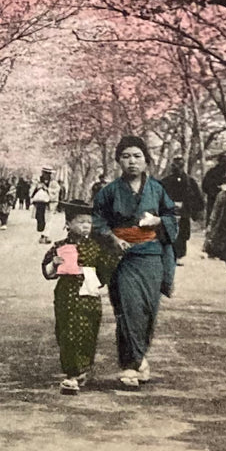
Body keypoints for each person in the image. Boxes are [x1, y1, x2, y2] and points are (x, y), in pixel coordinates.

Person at [92, 136, 178, 391]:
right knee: (129, 308)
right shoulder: (108, 191)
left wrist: (159, 221)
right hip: (122, 256)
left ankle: (139, 357)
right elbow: (97, 220)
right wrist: (112, 237)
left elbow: (172, 216)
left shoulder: (158, 189)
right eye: (126, 156)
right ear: (118, 160)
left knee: (149, 308)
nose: (132, 161)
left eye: (137, 156)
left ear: (145, 160)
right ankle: (129, 365)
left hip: (151, 254)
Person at [41, 201, 119, 395]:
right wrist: (54, 264)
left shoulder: (97, 247)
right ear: (68, 224)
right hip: (65, 295)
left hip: (88, 297)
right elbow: (47, 270)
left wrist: (97, 278)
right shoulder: (59, 246)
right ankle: (71, 372)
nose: (85, 226)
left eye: (89, 222)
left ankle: (79, 370)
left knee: (87, 332)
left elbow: (106, 269)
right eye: (80, 221)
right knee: (66, 331)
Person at [159, 156, 205, 266]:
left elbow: (198, 198)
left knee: (182, 234)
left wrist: (194, 209)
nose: (175, 168)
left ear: (182, 166)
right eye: (174, 166)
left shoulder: (190, 181)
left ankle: (179, 256)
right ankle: (168, 255)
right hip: (169, 211)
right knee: (168, 232)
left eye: (178, 166)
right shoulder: (165, 181)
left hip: (184, 211)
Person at [30, 169, 55, 243]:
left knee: (48, 220)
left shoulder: (53, 182)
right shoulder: (38, 181)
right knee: (41, 219)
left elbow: (55, 191)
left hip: (48, 204)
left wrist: (47, 189)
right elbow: (32, 191)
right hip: (40, 203)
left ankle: (45, 236)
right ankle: (43, 235)